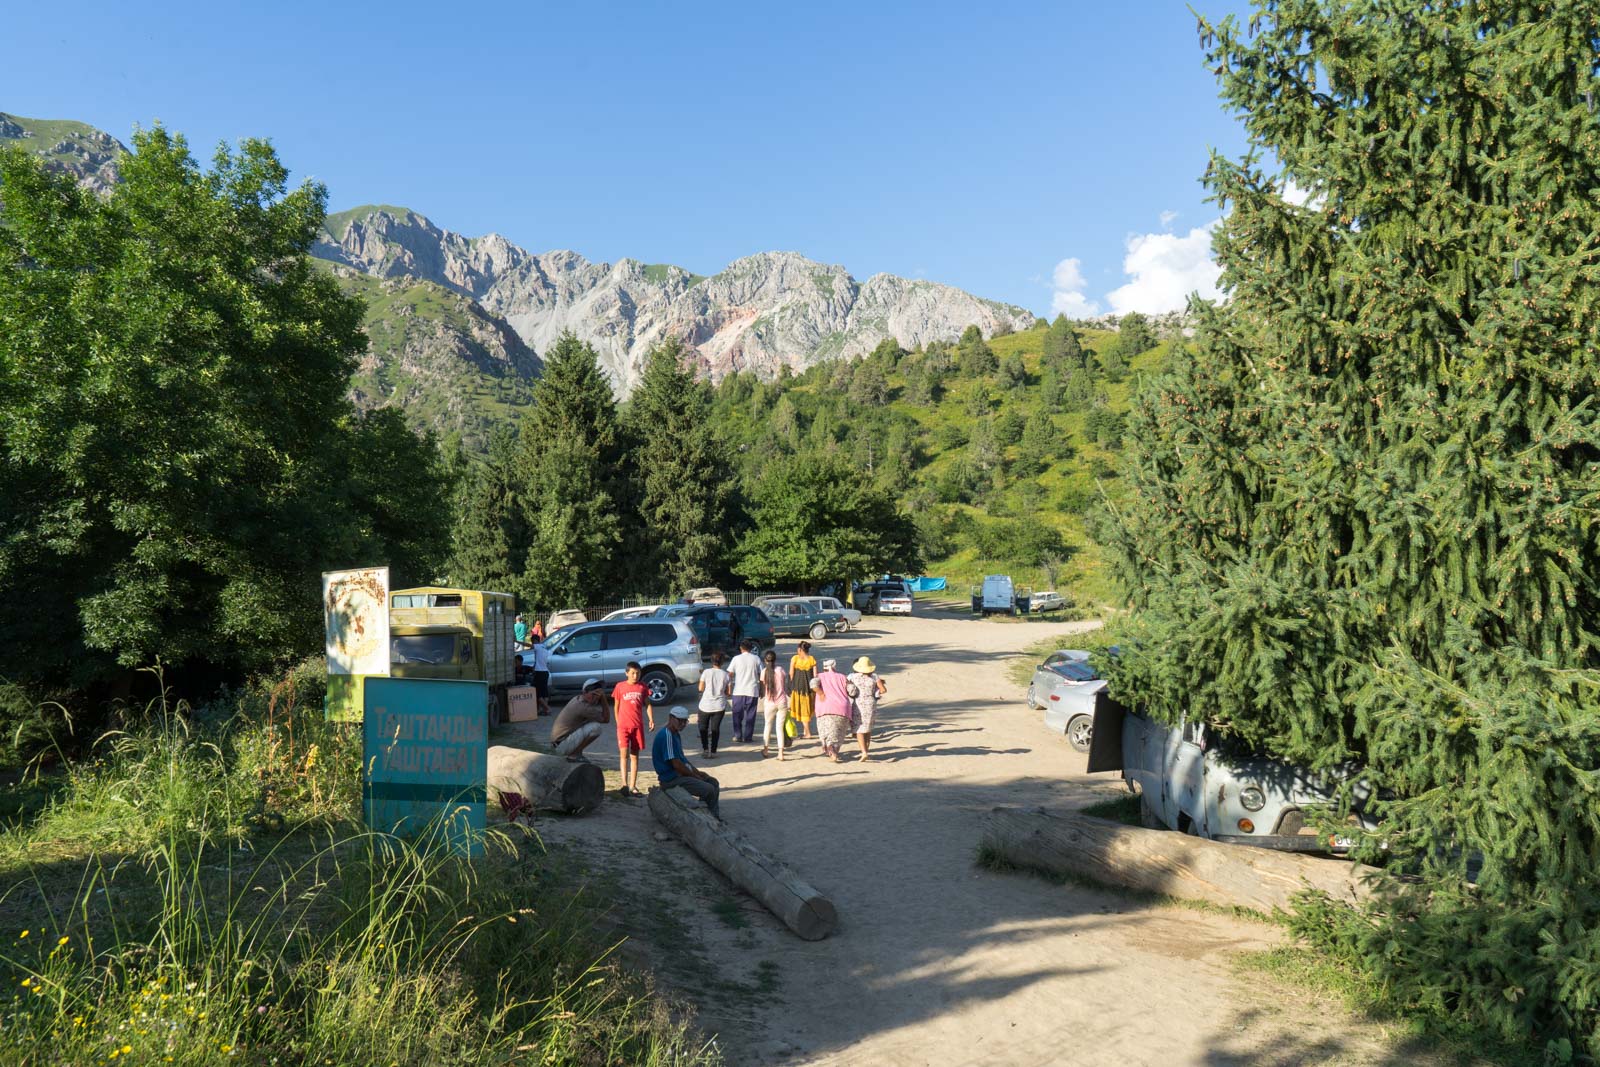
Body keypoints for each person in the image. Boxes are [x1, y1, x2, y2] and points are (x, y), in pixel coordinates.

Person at [652, 706, 720, 818]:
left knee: (712, 782)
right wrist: (695, 776)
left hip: (679, 775)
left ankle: (708, 812)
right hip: (671, 779)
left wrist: (698, 773)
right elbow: (677, 764)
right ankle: (712, 816)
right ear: (671, 718)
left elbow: (683, 760)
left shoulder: (675, 734)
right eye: (680, 720)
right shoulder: (666, 736)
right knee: (709, 789)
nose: (683, 724)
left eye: (685, 721)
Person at [610, 661, 655, 798]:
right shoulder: (620, 686)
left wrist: (651, 719)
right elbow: (616, 706)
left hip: (637, 726)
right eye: (633, 673)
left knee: (635, 756)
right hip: (623, 727)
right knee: (624, 755)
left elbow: (648, 704)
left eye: (638, 673)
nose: (635, 676)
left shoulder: (642, 687)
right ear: (627, 673)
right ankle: (624, 784)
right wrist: (618, 722)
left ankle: (633, 785)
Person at [550, 678, 610, 761]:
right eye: (593, 694)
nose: (596, 697)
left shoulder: (577, 698)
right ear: (584, 692)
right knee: (596, 727)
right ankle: (574, 755)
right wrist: (603, 698)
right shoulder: (584, 707)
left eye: (598, 695)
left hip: (558, 744)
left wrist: (599, 696)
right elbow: (606, 719)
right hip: (561, 747)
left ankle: (576, 753)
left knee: (591, 722)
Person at [810, 658, 854, 763]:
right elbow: (852, 690)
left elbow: (813, 684)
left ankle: (829, 748)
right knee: (839, 733)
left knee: (825, 731)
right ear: (834, 667)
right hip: (842, 708)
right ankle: (834, 751)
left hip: (824, 707)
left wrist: (821, 693)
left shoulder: (819, 676)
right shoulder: (843, 677)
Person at [847, 656, 888, 763]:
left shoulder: (853, 677)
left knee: (859, 728)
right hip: (871, 703)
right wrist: (876, 692)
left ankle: (864, 752)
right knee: (868, 728)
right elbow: (883, 690)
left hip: (858, 703)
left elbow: (848, 689)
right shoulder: (874, 676)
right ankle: (867, 750)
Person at [726, 639, 762, 743]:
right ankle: (748, 737)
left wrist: (728, 686)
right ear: (751, 648)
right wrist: (762, 689)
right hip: (752, 691)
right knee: (751, 715)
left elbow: (729, 674)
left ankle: (738, 735)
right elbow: (761, 675)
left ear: (741, 648)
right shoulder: (756, 659)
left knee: (737, 715)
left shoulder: (736, 659)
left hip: (738, 691)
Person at [696, 651, 730, 756]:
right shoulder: (726, 675)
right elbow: (728, 692)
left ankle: (705, 749)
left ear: (712, 661)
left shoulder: (706, 672)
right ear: (722, 662)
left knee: (703, 728)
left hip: (705, 705)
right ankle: (714, 751)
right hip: (719, 706)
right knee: (715, 729)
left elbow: (700, 688)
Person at [759, 648, 789, 759]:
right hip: (782, 701)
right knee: (779, 728)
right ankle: (781, 753)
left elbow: (762, 687)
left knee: (767, 725)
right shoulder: (780, 670)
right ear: (775, 660)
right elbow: (784, 683)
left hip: (769, 702)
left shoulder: (764, 672)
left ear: (765, 660)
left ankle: (766, 749)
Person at [788, 641, 817, 740]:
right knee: (807, 709)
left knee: (803, 710)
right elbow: (815, 676)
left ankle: (807, 733)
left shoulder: (795, 659)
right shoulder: (812, 659)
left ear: (800, 649)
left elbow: (791, 674)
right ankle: (806, 730)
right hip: (809, 689)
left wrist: (791, 686)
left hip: (798, 688)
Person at [530, 638, 553, 715]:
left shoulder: (537, 646)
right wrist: (534, 666)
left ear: (535, 641)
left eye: (532, 642)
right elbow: (538, 660)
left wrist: (516, 641)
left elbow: (528, 645)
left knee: (538, 693)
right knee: (544, 692)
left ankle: (547, 708)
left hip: (539, 673)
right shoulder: (544, 647)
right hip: (545, 672)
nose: (532, 644)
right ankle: (543, 710)